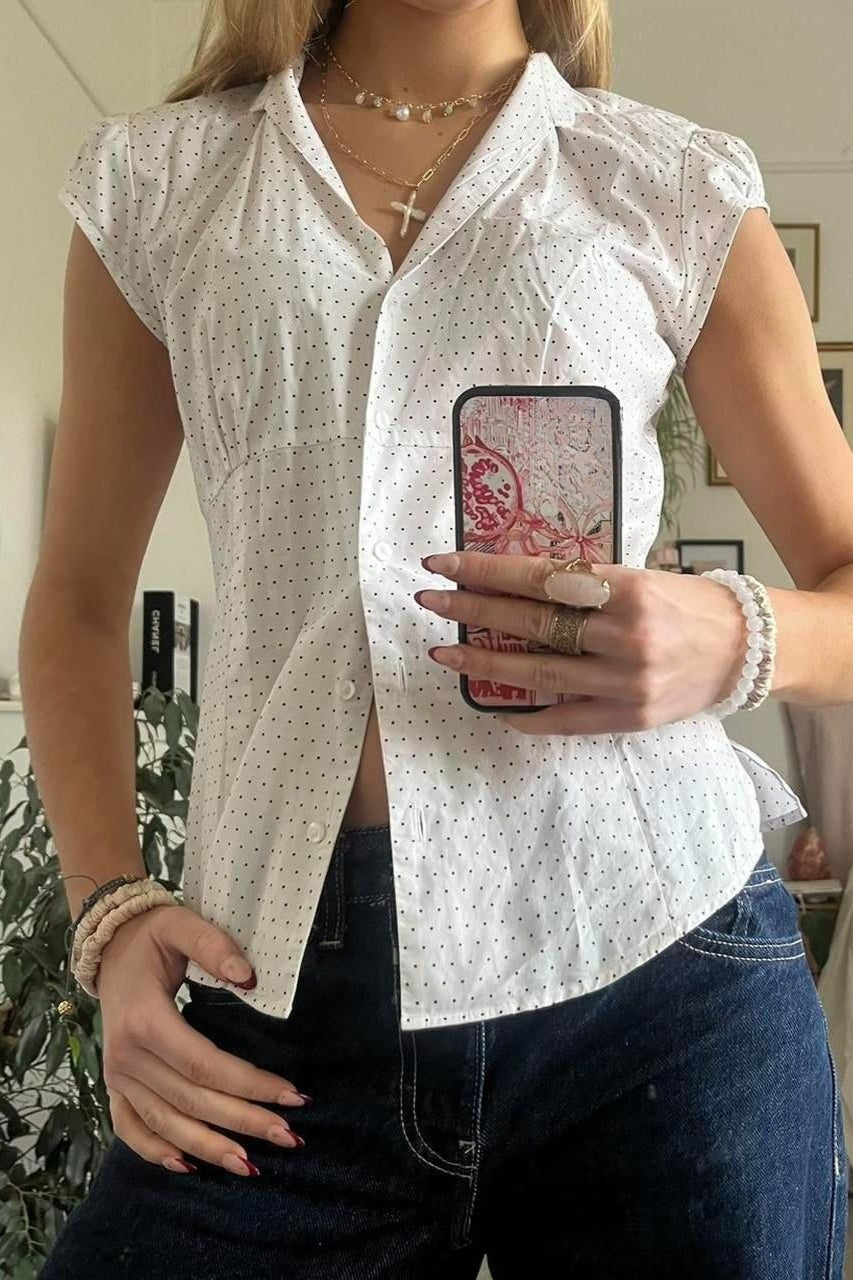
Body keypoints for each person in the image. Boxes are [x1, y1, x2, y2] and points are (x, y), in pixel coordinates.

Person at [27, 0, 853, 1273]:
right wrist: (111, 912)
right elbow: (80, 597)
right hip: (274, 992)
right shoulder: (161, 183)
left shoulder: (671, 183)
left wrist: (731, 634)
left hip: (659, 973)